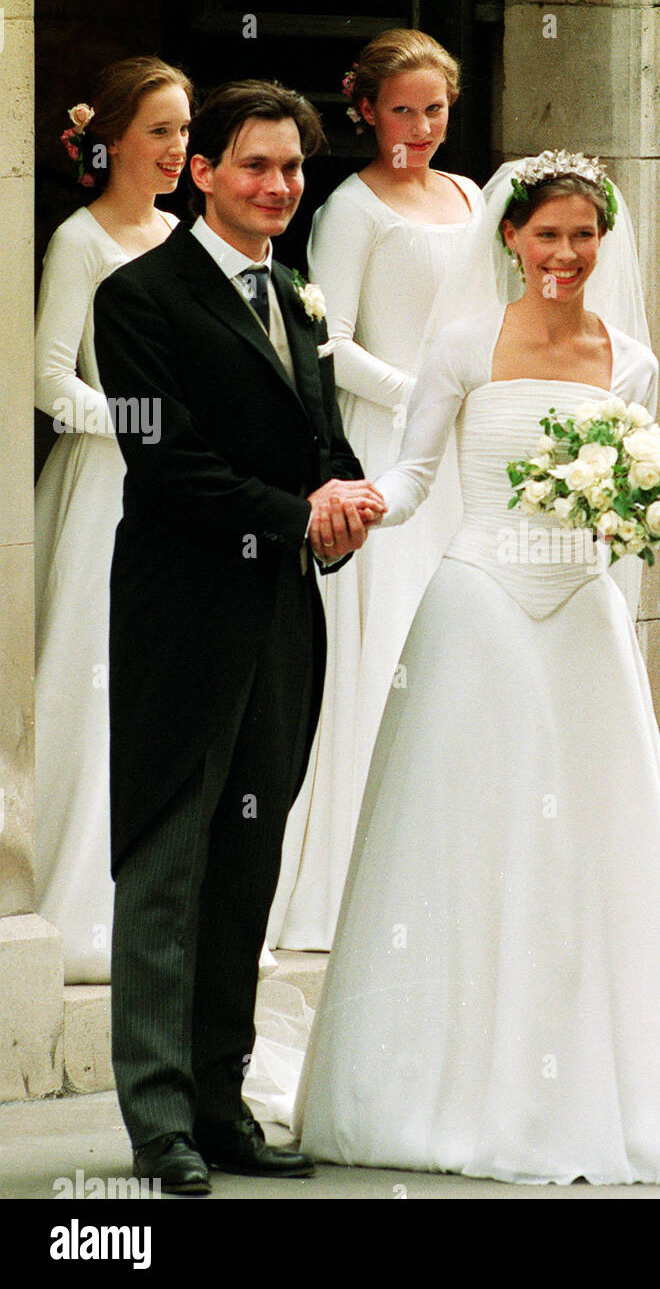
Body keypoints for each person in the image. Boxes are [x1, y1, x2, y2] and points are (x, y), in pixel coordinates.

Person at [292, 153, 660, 1188]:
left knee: (593, 840)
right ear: (509, 238)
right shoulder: (461, 344)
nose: (563, 254)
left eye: (581, 236)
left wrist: (642, 515)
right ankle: (444, 1080)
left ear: (604, 243)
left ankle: (594, 1073)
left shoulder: (630, 361)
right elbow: (415, 481)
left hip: (581, 614)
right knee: (468, 833)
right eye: (545, 234)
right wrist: (352, 502)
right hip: (478, 608)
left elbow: (631, 508)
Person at [93, 80, 385, 1195]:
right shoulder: (136, 299)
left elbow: (324, 440)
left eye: (293, 170)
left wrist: (348, 503)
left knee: (246, 868)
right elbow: (161, 468)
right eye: (255, 166)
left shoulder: (297, 295)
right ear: (201, 170)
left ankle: (222, 1106)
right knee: (166, 869)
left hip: (280, 620)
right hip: (181, 619)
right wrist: (290, 512)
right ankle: (159, 1123)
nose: (278, 187)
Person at [267, 30, 481, 952]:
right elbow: (330, 339)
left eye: (436, 109)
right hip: (393, 436)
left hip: (470, 444)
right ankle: (358, 875)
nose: (422, 127)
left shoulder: (473, 196)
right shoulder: (351, 208)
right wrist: (425, 396)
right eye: (404, 110)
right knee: (390, 638)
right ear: (364, 110)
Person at [34, 56, 192, 983]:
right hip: (106, 486)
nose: (178, 149)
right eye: (160, 131)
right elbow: (50, 380)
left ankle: (158, 899)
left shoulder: (184, 235)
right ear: (116, 141)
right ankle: (80, 899)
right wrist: (140, 421)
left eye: (184, 130)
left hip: (179, 489)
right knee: (96, 682)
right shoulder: (81, 239)